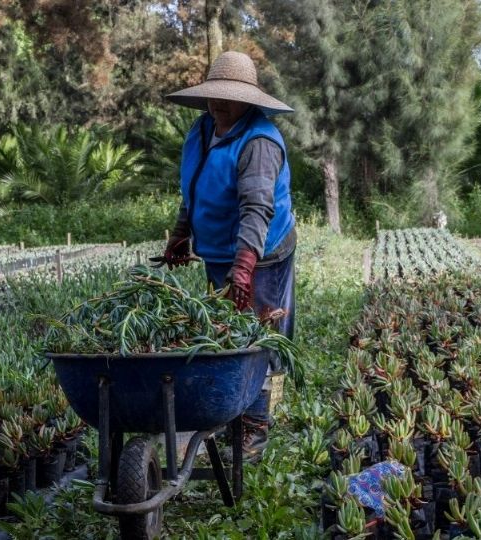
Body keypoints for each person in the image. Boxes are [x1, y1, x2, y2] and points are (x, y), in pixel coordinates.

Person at [164, 51, 296, 454]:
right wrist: (180, 234)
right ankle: (230, 413)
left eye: (227, 97)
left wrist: (243, 268)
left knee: (257, 335)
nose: (217, 103)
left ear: (248, 101)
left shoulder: (259, 143)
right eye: (213, 95)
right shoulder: (203, 129)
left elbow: (256, 209)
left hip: (261, 253)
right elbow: (195, 186)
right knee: (224, 331)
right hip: (220, 251)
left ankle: (254, 427)